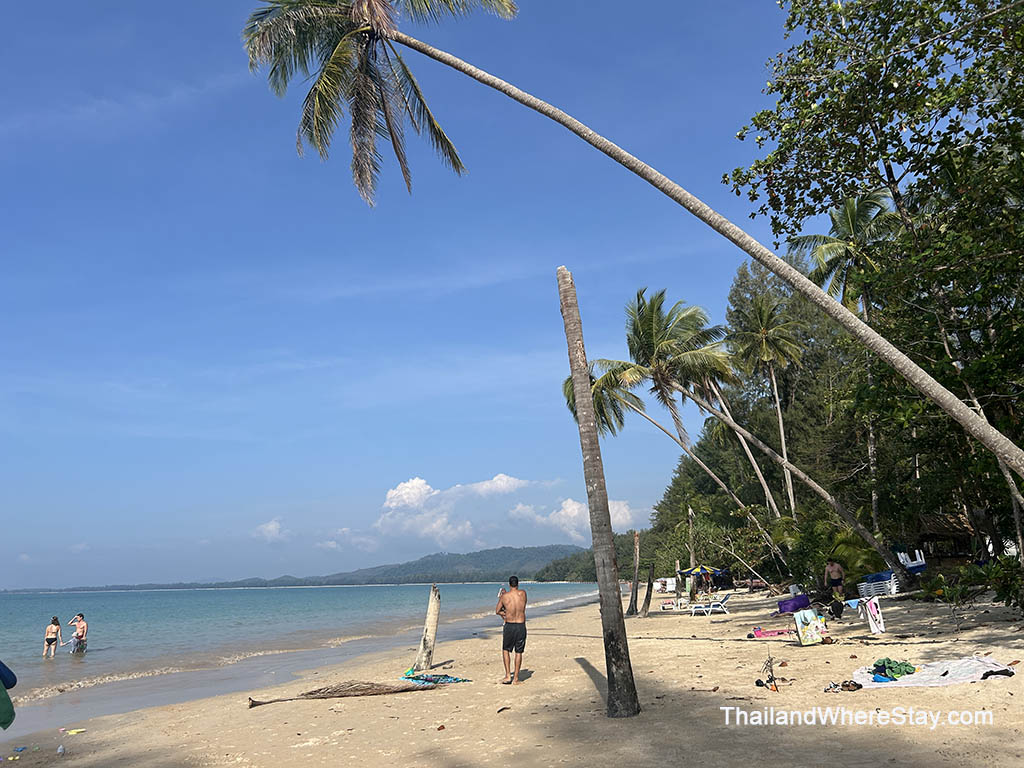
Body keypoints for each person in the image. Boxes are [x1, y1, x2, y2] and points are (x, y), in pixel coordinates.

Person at [495, 576, 527, 685]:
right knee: (519, 651)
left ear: (509, 584)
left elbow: (497, 611)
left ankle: (508, 675)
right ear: (518, 584)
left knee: (506, 650)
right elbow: (521, 606)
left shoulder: (504, 597)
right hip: (520, 625)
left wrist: (505, 613)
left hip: (509, 625)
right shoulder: (523, 593)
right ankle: (516, 678)